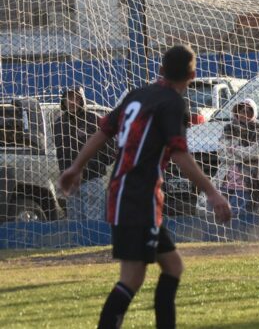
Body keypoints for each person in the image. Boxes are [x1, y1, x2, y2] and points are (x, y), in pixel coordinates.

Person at [58, 45, 231, 329]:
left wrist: (76, 167)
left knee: (173, 266)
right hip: (139, 196)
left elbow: (103, 131)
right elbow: (179, 154)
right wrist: (212, 192)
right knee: (132, 278)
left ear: (161, 70)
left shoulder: (137, 95)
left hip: (126, 192)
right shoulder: (173, 103)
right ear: (192, 75)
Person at [54, 86, 115, 221]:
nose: (72, 102)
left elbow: (111, 147)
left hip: (92, 180)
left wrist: (96, 167)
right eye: (69, 98)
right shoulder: (59, 124)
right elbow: (60, 153)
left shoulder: (94, 119)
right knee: (74, 222)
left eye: (76, 98)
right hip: (71, 184)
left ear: (82, 100)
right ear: (63, 101)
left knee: (94, 222)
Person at [217, 98, 259, 215]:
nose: (244, 114)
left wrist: (234, 149)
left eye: (248, 111)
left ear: (254, 113)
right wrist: (244, 155)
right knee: (219, 213)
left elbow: (256, 152)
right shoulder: (229, 128)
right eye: (242, 111)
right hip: (226, 179)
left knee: (238, 214)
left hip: (247, 181)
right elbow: (222, 154)